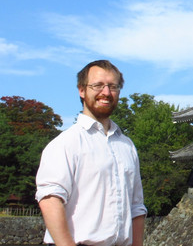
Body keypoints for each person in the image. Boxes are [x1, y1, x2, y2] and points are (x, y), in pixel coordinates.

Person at [36, 60, 146, 246]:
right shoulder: (66, 143)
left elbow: (136, 207)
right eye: (98, 85)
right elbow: (50, 199)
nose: (106, 92)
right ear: (81, 90)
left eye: (113, 86)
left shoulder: (127, 146)